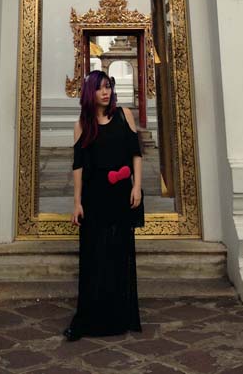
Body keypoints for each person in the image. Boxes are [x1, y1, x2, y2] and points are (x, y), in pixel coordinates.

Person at [64, 69, 143, 341]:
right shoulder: (82, 125)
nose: (105, 92)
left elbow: (136, 152)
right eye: (99, 88)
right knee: (95, 255)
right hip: (95, 197)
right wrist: (77, 203)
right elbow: (77, 168)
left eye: (108, 86)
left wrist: (136, 186)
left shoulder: (124, 115)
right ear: (90, 93)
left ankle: (119, 315)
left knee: (119, 252)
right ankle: (93, 316)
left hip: (121, 193)